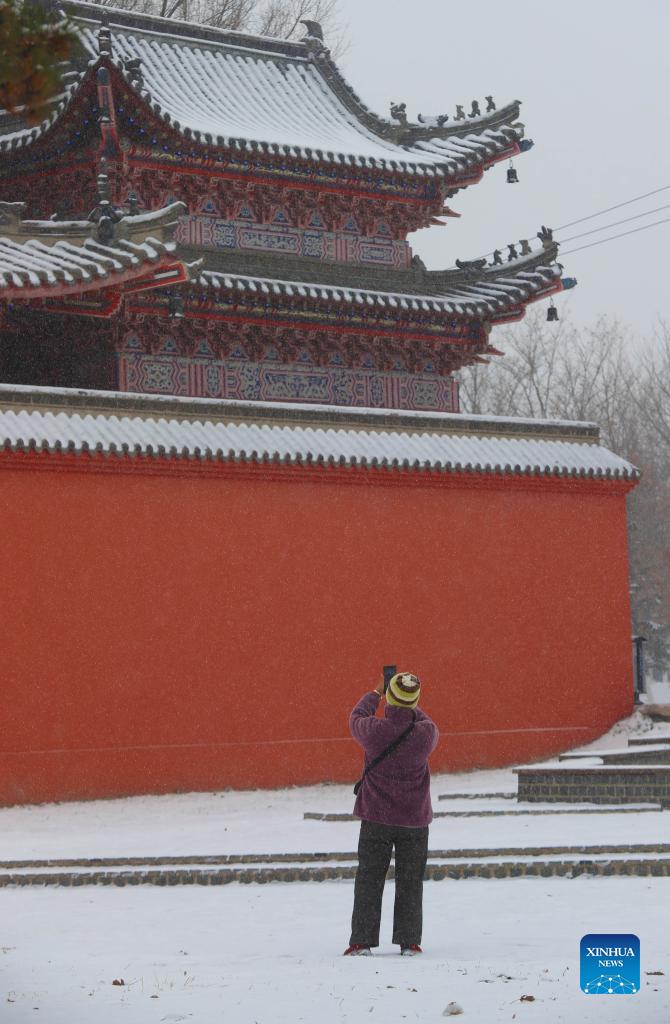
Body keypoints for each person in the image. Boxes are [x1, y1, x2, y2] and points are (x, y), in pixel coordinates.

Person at [343, 671, 439, 957]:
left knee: (369, 879)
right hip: (414, 820)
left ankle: (361, 941)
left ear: (390, 698)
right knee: (411, 882)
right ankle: (409, 942)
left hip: (376, 817)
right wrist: (408, 704)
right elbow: (422, 718)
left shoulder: (374, 731)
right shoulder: (426, 734)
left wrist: (376, 693)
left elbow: (356, 716)